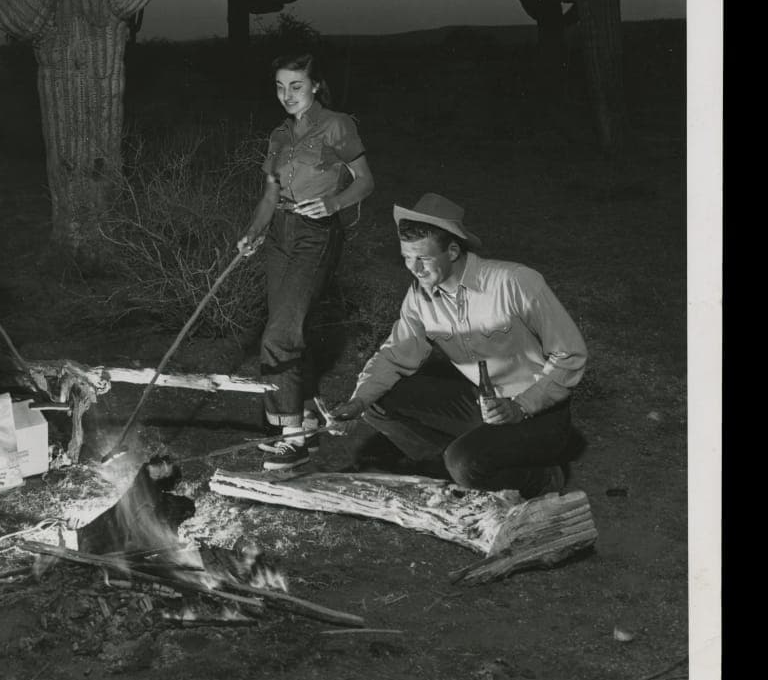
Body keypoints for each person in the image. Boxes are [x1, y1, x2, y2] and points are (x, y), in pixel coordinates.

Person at [329, 193, 587, 498]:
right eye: (406, 258)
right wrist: (357, 402)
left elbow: (571, 355)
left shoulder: (514, 282)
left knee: (464, 464)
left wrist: (521, 407)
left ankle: (541, 479)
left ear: (452, 251)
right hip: (484, 404)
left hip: (539, 413)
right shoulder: (420, 295)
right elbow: (394, 355)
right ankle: (454, 468)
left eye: (423, 258)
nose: (414, 268)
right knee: (375, 399)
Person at [236, 52, 375, 471]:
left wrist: (333, 203)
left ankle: (291, 438)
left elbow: (366, 180)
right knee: (290, 328)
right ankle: (308, 422)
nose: (287, 95)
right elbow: (269, 196)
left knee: (279, 335)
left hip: (315, 236)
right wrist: (253, 233)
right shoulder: (278, 135)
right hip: (279, 235)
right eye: (280, 86)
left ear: (315, 85)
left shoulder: (337, 124)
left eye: (296, 85)